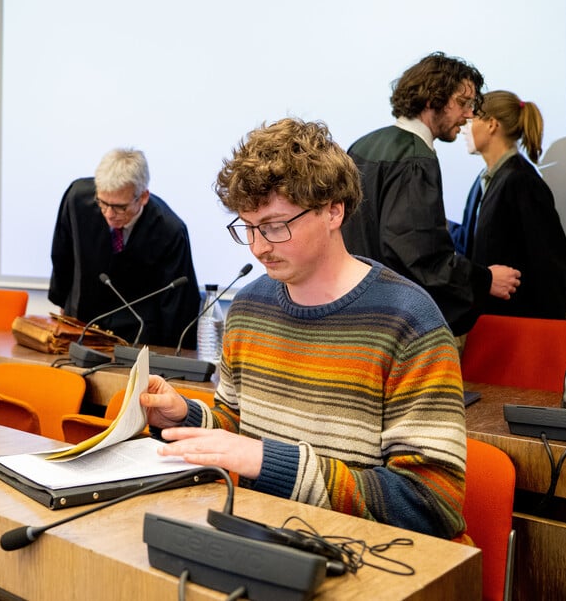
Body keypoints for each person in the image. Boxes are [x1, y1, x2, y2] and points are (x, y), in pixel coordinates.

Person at [140, 118, 468, 540]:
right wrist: (185, 414)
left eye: (276, 226)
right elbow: (240, 429)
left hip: (372, 558)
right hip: (269, 542)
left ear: (333, 210)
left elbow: (430, 504)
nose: (259, 247)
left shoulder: (408, 320)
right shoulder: (249, 306)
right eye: (248, 228)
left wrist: (273, 462)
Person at [341, 52, 521, 336]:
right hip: (397, 324)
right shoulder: (416, 159)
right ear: (432, 99)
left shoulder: (363, 145)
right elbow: (418, 255)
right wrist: (485, 279)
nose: (470, 114)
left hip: (355, 313)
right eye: (462, 103)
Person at [48, 148, 201, 348]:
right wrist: (61, 307)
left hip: (138, 334)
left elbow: (178, 304)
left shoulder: (169, 230)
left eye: (120, 207)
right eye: (102, 203)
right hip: (84, 321)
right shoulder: (77, 199)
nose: (109, 214)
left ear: (143, 196)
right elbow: (62, 255)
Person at [450, 91, 566, 320]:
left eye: (471, 120)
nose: (464, 128)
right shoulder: (483, 180)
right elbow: (477, 245)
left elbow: (552, 266)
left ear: (491, 125)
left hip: (516, 327)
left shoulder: (522, 181)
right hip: (490, 323)